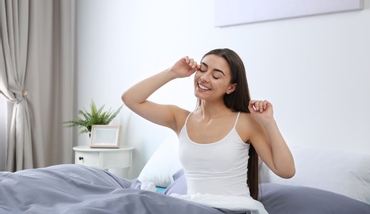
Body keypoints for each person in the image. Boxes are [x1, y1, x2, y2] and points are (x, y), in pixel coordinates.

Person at [122, 48, 295, 213]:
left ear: (231, 87)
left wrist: (269, 122)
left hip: (231, 209)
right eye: (202, 69)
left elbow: (286, 171)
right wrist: (172, 73)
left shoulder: (245, 122)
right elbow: (130, 99)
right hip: (192, 207)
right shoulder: (180, 119)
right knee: (117, 195)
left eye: (216, 75)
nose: (204, 78)